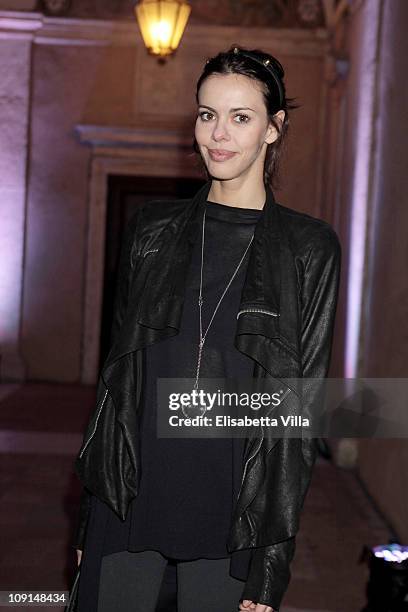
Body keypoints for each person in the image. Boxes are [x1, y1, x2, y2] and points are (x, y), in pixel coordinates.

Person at [71, 45, 341, 612]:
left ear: (273, 128)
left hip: (230, 522)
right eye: (206, 113)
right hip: (128, 505)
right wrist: (88, 520)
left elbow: (297, 417)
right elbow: (116, 389)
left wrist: (271, 563)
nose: (218, 133)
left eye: (241, 117)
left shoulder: (308, 248)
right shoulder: (152, 231)